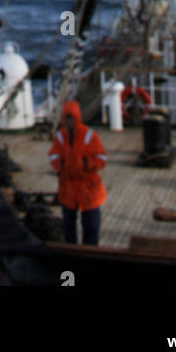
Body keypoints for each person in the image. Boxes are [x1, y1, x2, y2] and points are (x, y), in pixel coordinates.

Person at [49, 98, 107, 245]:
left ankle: (90, 257)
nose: (70, 122)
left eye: (72, 118)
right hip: (68, 188)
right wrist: (62, 164)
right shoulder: (60, 137)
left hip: (88, 188)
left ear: (77, 118)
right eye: (67, 118)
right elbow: (54, 155)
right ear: (63, 119)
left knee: (92, 228)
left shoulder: (90, 136)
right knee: (68, 229)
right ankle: (71, 258)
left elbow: (102, 158)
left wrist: (86, 164)